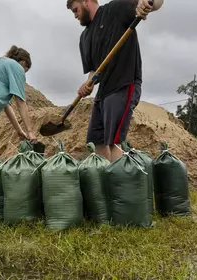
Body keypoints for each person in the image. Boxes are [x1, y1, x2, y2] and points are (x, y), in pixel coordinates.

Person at [67, 0, 163, 162]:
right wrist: (88, 84)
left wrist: (147, 4)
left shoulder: (115, 10)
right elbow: (94, 71)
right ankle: (102, 182)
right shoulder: (85, 37)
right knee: (96, 140)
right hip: (103, 92)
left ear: (86, 2)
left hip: (123, 84)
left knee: (114, 142)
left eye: (75, 10)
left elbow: (157, 3)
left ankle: (118, 185)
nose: (75, 15)